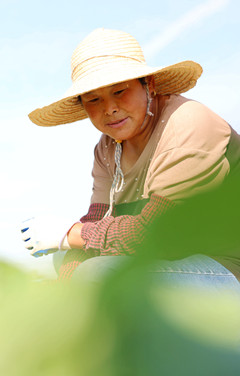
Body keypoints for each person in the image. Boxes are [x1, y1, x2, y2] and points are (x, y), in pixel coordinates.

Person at [21, 28, 240, 290]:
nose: (109, 108)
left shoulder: (187, 123)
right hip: (172, 261)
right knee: (61, 262)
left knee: (98, 273)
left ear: (150, 85)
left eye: (119, 91)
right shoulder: (107, 149)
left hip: (226, 268)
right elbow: (95, 223)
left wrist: (70, 234)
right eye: (93, 99)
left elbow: (157, 235)